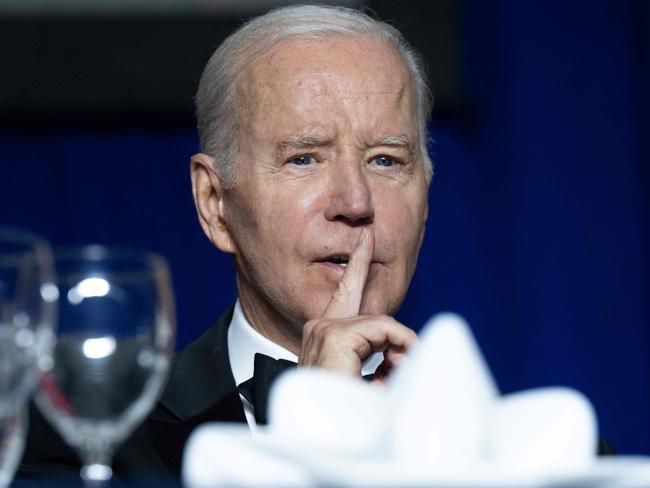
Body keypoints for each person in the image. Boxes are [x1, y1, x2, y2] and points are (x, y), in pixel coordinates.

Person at [18, 3, 432, 482]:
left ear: (425, 201)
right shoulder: (80, 444)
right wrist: (319, 436)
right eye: (304, 159)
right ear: (215, 203)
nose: (356, 202)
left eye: (385, 160)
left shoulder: (506, 444)